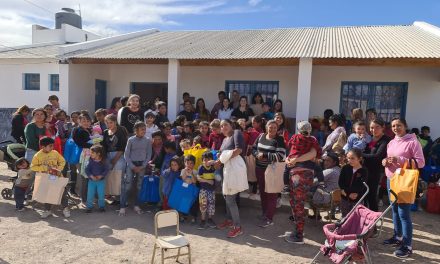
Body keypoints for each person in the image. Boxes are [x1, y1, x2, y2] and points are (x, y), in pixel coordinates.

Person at [382, 118, 425, 258]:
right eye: (393, 126)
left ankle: (407, 246)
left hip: (404, 181)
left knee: (403, 213)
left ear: (405, 126)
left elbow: (421, 163)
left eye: (399, 125)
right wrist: (385, 162)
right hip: (391, 180)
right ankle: (397, 237)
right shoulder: (391, 142)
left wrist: (400, 160)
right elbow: (388, 159)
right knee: (394, 210)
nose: (396, 128)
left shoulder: (413, 142)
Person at [284, 121, 322, 244]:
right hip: (294, 173)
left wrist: (295, 160)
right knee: (295, 203)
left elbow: (313, 154)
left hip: (301, 174)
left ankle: (299, 236)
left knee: (298, 205)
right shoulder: (298, 138)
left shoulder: (311, 140)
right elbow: (290, 153)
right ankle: (297, 231)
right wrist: (289, 160)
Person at [252, 120, 286, 227]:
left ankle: (269, 218)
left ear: (277, 129)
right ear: (266, 127)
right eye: (270, 127)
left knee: (271, 194)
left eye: (275, 128)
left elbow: (280, 155)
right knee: (262, 193)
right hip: (259, 169)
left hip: (272, 171)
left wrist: (265, 155)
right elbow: (253, 149)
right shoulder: (261, 136)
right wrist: (257, 154)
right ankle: (264, 214)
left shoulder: (279, 139)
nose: (272, 129)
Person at [215, 119, 245, 238]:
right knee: (226, 196)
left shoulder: (236, 133)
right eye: (221, 126)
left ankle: (238, 227)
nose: (224, 127)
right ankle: (229, 220)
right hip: (225, 171)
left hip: (233, 171)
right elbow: (223, 154)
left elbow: (238, 150)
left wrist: (220, 160)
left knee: (230, 199)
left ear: (231, 125)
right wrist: (218, 157)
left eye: (226, 124)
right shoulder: (224, 139)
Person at [30, 136, 69, 218]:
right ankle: (48, 210)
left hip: (57, 176)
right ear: (43, 147)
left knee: (62, 192)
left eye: (52, 145)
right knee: (47, 194)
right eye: (50, 146)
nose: (52, 147)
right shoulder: (37, 155)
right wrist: (44, 168)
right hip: (45, 178)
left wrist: (59, 169)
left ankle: (65, 209)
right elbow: (33, 167)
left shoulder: (55, 153)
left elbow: (62, 161)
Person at [121, 121, 152, 216]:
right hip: (131, 165)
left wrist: (142, 166)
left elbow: (149, 154)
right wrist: (132, 166)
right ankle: (122, 206)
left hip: (142, 165)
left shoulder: (147, 140)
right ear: (136, 130)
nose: (144, 131)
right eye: (142, 129)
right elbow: (126, 155)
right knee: (128, 185)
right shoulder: (130, 140)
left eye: (145, 129)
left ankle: (136, 205)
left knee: (139, 186)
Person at [362, 119, 390, 212]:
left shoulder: (386, 140)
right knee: (362, 196)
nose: (374, 130)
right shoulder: (368, 138)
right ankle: (364, 218)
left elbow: (377, 156)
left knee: (371, 196)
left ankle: (373, 222)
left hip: (374, 172)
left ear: (383, 127)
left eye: (377, 127)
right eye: (372, 127)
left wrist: (360, 155)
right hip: (363, 170)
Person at [310, 153, 341, 220]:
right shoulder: (339, 170)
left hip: (326, 199)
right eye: (325, 160)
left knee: (306, 193)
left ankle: (317, 215)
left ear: (334, 162)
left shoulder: (329, 171)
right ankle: (332, 215)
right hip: (336, 200)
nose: (325, 162)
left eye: (328, 161)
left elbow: (313, 182)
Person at [338, 148, 368, 217]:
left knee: (355, 217)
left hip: (357, 199)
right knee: (345, 216)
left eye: (352, 158)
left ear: (359, 159)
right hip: (345, 197)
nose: (350, 160)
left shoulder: (364, 171)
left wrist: (355, 194)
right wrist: (348, 194)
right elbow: (341, 182)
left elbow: (362, 186)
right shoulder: (345, 168)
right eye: (348, 158)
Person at [73, 114, 94, 204]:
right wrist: (93, 144)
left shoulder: (87, 130)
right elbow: (79, 143)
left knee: (87, 177)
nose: (86, 123)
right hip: (81, 157)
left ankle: (87, 197)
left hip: (87, 156)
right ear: (79, 121)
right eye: (83, 121)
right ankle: (84, 199)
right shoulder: (78, 130)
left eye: (87, 121)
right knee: (84, 178)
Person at [85, 145, 109, 213]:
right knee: (90, 194)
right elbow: (87, 170)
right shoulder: (90, 160)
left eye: (92, 153)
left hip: (101, 181)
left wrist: (101, 176)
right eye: (90, 152)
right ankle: (89, 207)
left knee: (101, 194)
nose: (91, 154)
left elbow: (106, 169)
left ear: (98, 153)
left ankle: (101, 207)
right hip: (91, 181)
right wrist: (91, 176)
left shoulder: (104, 161)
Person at [197, 151, 217, 229]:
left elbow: (219, 165)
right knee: (203, 204)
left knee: (211, 204)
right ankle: (203, 220)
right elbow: (198, 178)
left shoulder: (213, 167)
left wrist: (214, 162)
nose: (206, 161)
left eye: (209, 159)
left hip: (211, 190)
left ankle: (210, 219)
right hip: (203, 190)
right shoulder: (201, 167)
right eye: (205, 160)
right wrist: (208, 181)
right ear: (202, 160)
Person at [181, 154, 199, 223]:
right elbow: (183, 179)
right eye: (187, 163)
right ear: (184, 163)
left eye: (191, 163)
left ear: (194, 164)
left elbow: (195, 181)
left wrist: (191, 174)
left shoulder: (195, 171)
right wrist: (186, 172)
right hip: (185, 189)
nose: (189, 165)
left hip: (192, 189)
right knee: (184, 202)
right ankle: (184, 215)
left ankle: (194, 216)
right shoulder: (183, 170)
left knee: (193, 203)